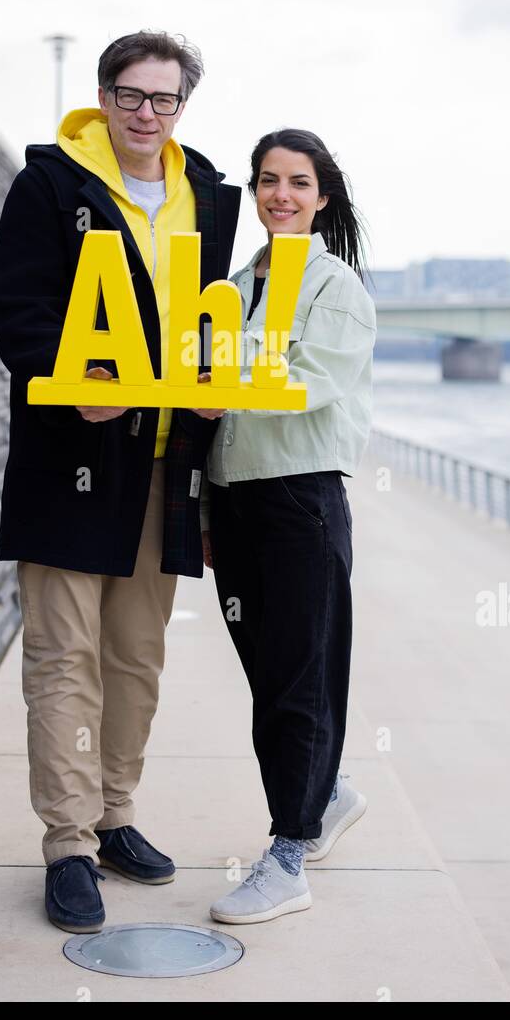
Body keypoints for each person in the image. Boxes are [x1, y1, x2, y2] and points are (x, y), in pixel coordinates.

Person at [0, 30, 240, 933]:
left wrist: (214, 385)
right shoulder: (50, 185)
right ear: (103, 97)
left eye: (163, 99)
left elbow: (209, 318)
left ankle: (114, 815)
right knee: (64, 660)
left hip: (165, 459)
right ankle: (66, 845)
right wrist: (76, 385)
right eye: (130, 96)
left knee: (135, 657)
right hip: (71, 458)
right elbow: (17, 310)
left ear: (182, 107)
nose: (145, 114)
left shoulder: (207, 195)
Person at [192, 127, 376, 924]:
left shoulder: (337, 289)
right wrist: (203, 503)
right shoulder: (232, 285)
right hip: (234, 501)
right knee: (269, 674)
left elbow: (310, 384)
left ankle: (288, 854)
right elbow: (201, 402)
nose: (280, 196)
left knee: (300, 675)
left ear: (321, 196)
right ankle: (326, 791)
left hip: (300, 501)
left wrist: (223, 387)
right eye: (268, 180)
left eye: (297, 183)